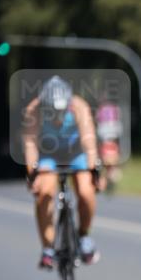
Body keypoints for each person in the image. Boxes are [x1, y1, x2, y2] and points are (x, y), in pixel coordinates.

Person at [23, 75, 100, 268]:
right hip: (49, 153)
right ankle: (48, 247)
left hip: (75, 153)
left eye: (61, 112)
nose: (57, 117)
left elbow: (89, 139)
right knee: (44, 193)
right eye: (52, 112)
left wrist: (94, 170)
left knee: (86, 191)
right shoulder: (34, 109)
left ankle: (84, 236)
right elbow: (30, 143)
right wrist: (32, 174)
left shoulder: (79, 106)